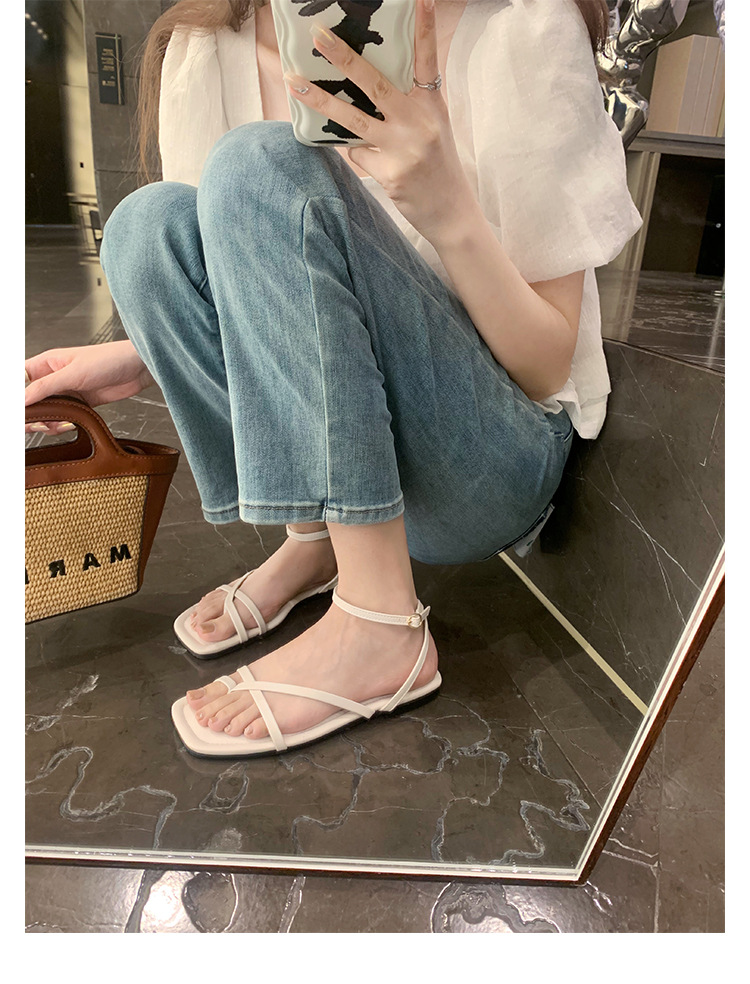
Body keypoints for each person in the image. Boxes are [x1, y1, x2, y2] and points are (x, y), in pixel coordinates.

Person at [24, 0, 642, 757]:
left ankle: (381, 623)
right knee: (146, 230)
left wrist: (447, 208)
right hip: (365, 451)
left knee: (261, 161)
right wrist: (137, 354)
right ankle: (318, 536)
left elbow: (545, 366)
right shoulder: (205, 46)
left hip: (487, 460)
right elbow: (252, 283)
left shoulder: (518, 26)